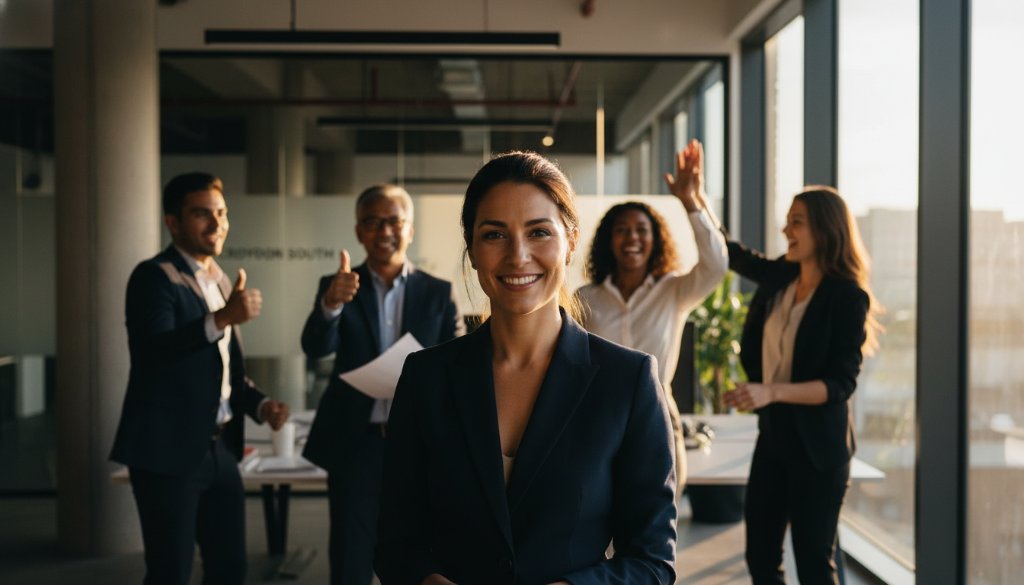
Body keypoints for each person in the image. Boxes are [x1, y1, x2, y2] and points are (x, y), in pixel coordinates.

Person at [376, 152, 678, 585]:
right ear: (473, 249)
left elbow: (653, 562)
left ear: (570, 241)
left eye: (538, 232)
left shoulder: (626, 381)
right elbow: (395, 542)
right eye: (494, 234)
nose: (518, 256)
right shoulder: (426, 378)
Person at [110, 172, 290, 585]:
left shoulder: (219, 279)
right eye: (201, 214)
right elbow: (154, 350)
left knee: (230, 569)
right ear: (173, 222)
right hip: (167, 452)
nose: (217, 224)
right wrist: (224, 316)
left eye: (222, 213)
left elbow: (221, 372)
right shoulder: (154, 276)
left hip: (220, 451)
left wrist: (261, 404)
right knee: (170, 571)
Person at [301, 184, 464, 585]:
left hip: (421, 443)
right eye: (372, 222)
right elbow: (315, 347)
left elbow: (457, 362)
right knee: (351, 557)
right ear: (358, 232)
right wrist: (331, 305)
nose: (384, 231)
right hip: (358, 444)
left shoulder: (437, 292)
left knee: (421, 554)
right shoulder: (338, 283)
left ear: (410, 229)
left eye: (393, 221)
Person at [723, 186, 881, 584]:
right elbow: (732, 254)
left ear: (825, 230)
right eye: (787, 220)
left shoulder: (847, 297)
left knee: (813, 564)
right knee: (760, 557)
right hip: (774, 439)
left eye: (797, 222)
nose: (785, 229)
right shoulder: (783, 276)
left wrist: (770, 391)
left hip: (819, 451)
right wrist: (693, 202)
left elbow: (840, 384)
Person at [576, 138, 728, 491]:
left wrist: (691, 203)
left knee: (661, 515)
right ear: (608, 240)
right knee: (600, 517)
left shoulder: (674, 291)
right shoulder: (586, 298)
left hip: (657, 411)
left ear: (655, 239)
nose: (632, 237)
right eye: (622, 230)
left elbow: (717, 265)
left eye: (642, 230)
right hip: (599, 417)